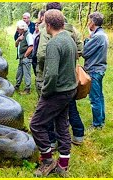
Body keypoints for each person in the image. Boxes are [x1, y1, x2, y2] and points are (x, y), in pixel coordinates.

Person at [30, 9, 77, 177]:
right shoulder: (69, 39)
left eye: (44, 24)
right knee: (62, 126)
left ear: (48, 25)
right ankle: (63, 164)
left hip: (56, 92)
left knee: (36, 124)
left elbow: (52, 74)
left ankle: (48, 161)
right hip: (70, 90)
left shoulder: (54, 43)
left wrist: (45, 92)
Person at [36, 2, 85, 148]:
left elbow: (42, 55)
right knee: (66, 114)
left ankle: (50, 146)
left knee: (39, 121)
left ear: (48, 22)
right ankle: (76, 138)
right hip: (69, 80)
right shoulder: (71, 31)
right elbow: (80, 50)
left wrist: (45, 91)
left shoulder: (49, 35)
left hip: (55, 83)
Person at [82, 12, 108, 130]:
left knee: (95, 98)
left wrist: (87, 40)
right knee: (99, 96)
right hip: (99, 69)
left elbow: (85, 52)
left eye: (89, 20)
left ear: (93, 22)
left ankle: (97, 124)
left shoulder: (97, 37)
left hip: (94, 70)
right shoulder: (101, 34)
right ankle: (101, 120)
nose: (88, 23)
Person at [14, 20, 33, 94]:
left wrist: (25, 56)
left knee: (26, 73)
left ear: (22, 29)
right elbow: (16, 45)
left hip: (26, 58)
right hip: (21, 57)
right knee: (19, 72)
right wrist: (18, 39)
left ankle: (27, 89)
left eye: (18, 29)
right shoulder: (21, 35)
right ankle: (17, 86)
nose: (17, 30)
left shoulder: (28, 35)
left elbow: (31, 47)